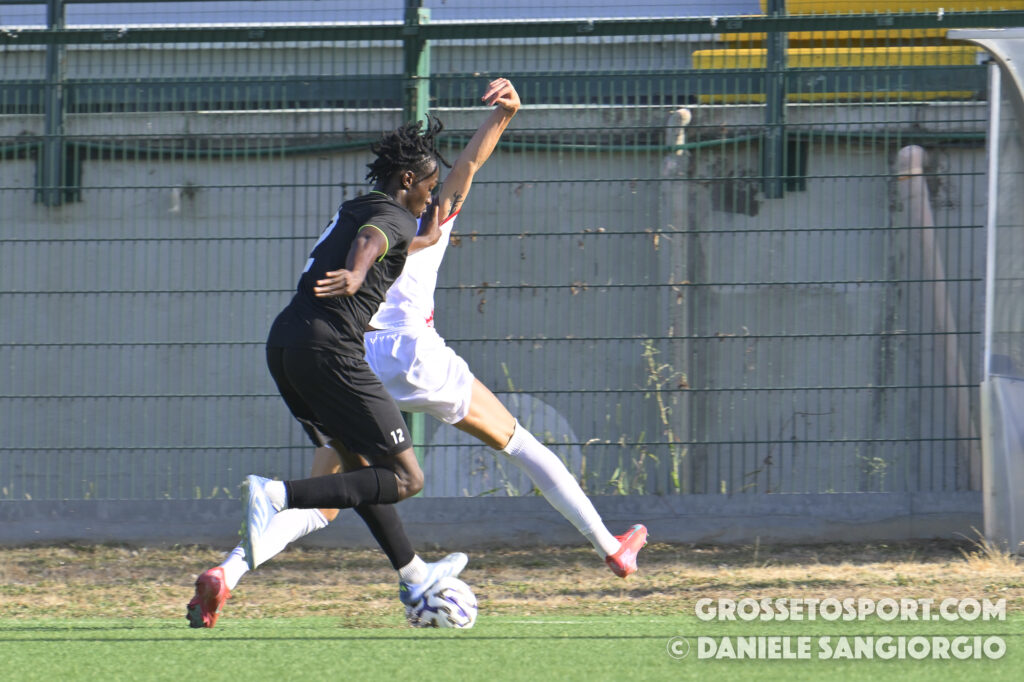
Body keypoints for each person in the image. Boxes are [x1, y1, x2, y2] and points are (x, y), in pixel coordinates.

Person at [188, 78, 647, 629]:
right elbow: (468, 166)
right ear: (413, 181)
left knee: (332, 496)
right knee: (518, 442)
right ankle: (610, 547)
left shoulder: (355, 212)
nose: (434, 193)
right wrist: (505, 115)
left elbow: (374, 240)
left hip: (352, 354)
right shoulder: (422, 215)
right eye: (430, 184)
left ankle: (228, 572)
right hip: (412, 354)